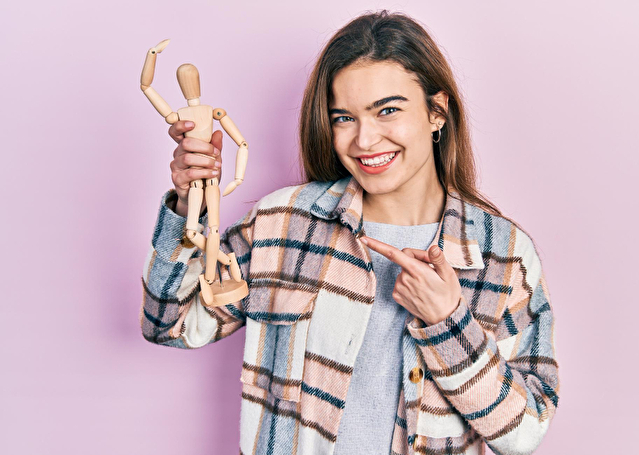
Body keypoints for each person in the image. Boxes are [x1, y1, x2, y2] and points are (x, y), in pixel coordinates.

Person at [140, 10, 559, 455]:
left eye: (388, 110)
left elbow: (525, 433)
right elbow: (169, 323)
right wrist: (189, 204)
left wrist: (448, 323)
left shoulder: (502, 255)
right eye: (344, 118)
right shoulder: (283, 223)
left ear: (437, 111)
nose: (364, 140)